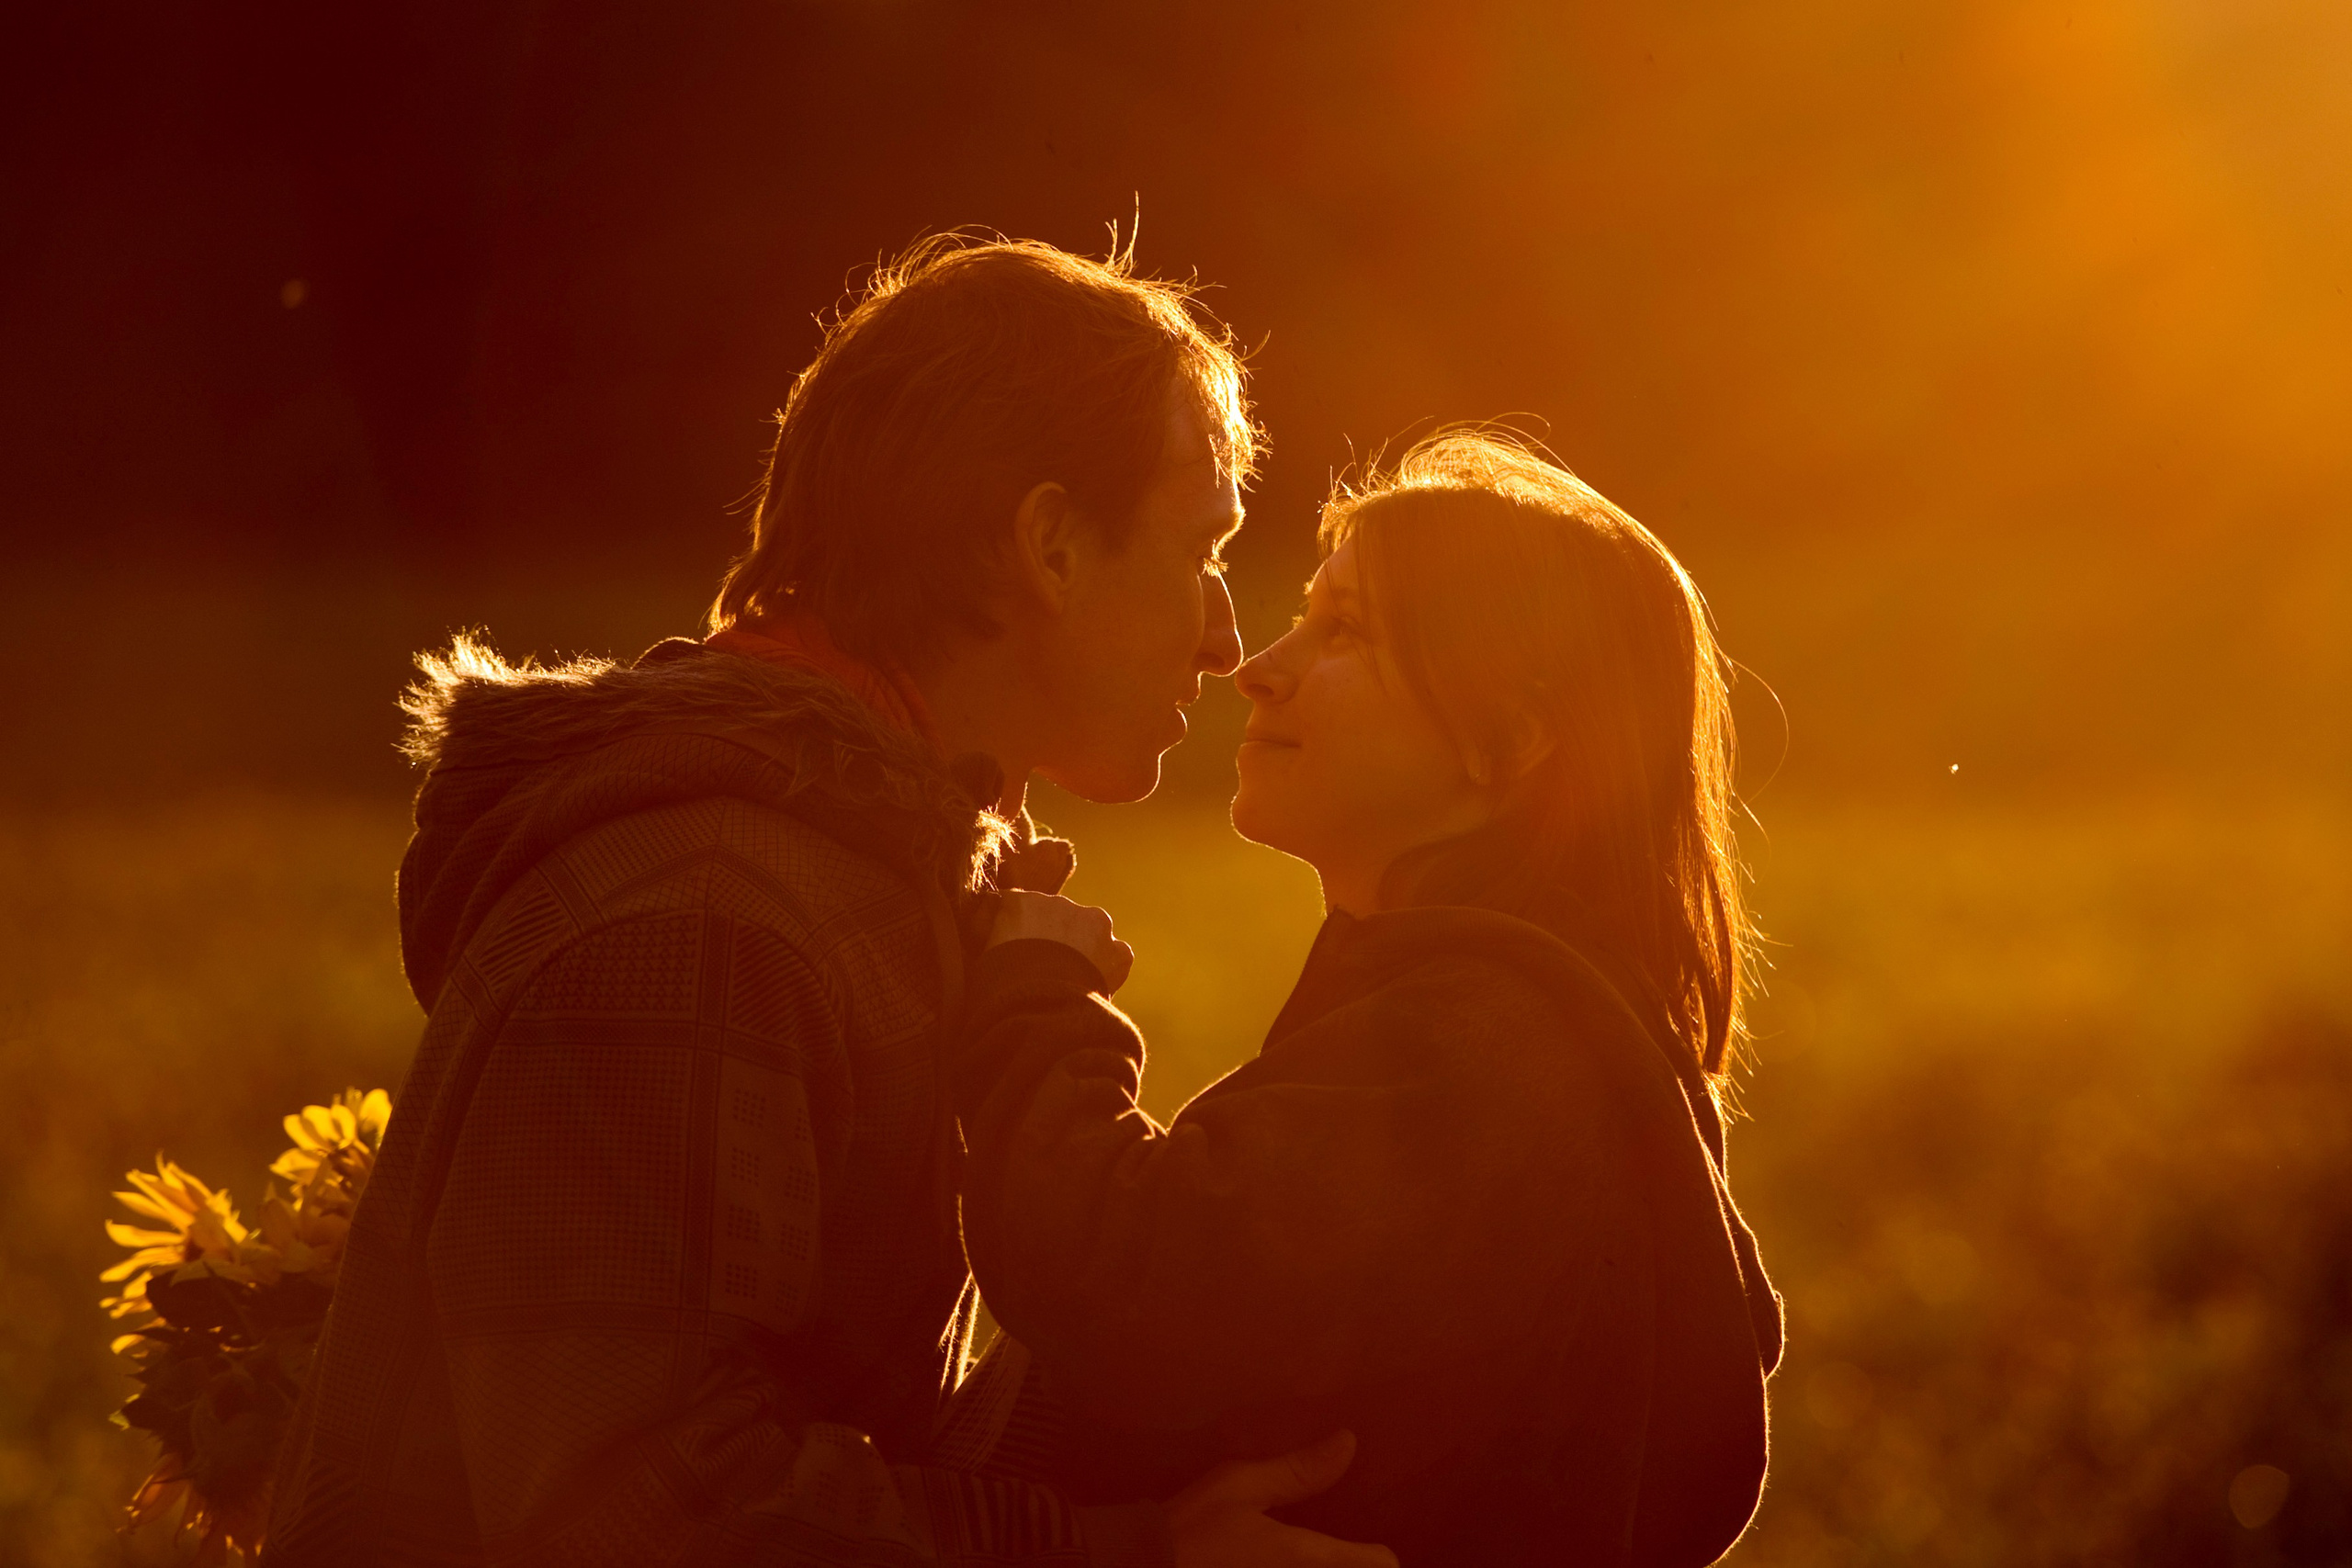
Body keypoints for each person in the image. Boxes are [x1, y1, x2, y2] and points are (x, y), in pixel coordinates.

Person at [261, 237, 1394, 1568]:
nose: (1222, 632)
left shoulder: (840, 867)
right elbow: (645, 1512)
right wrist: (1117, 1551)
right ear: (1049, 545)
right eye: (1200, 548)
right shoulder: (697, 922)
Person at [944, 432, 1785, 1565]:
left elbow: (1126, 1285)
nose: (1259, 666)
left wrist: (1038, 997)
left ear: (1510, 738)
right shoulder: (1506, 1012)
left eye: (1343, 631)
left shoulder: (1480, 1049)